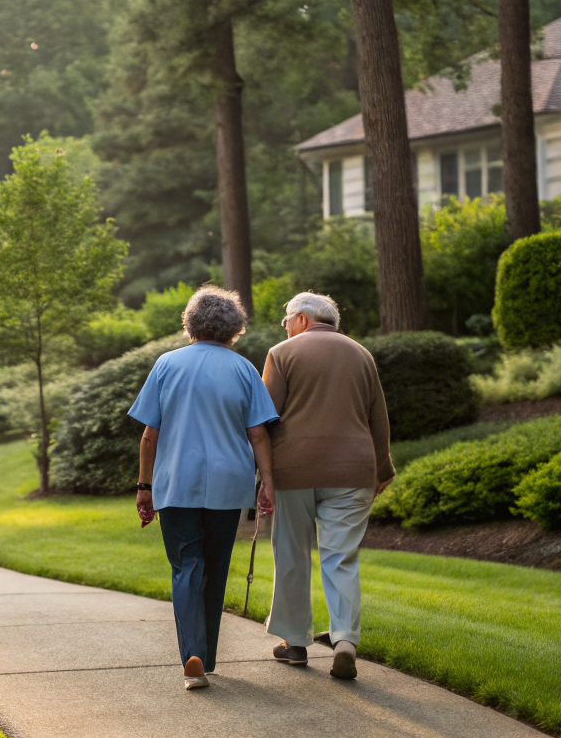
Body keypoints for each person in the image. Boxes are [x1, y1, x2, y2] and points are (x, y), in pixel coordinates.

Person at [129, 286, 278, 691]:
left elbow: (149, 435)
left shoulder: (166, 364)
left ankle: (192, 655)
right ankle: (206, 657)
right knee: (215, 568)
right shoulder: (244, 369)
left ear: (191, 323)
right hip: (229, 485)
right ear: (234, 327)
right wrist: (267, 483)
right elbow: (259, 434)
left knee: (187, 566)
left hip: (176, 483)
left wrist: (144, 487)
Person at [260, 292, 394, 680]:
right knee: (341, 558)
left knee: (292, 554)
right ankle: (345, 641)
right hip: (353, 470)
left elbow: (265, 418)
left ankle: (294, 643)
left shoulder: (281, 354)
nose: (285, 327)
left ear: (302, 319)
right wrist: (383, 468)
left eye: (286, 320)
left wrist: (262, 473)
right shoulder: (362, 354)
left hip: (293, 469)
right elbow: (378, 417)